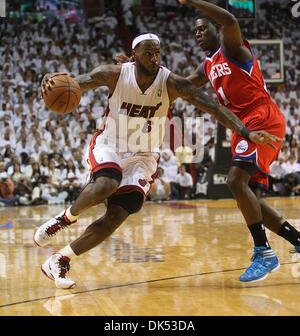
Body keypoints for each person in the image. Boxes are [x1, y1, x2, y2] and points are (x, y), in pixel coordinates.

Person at [34, 33, 280, 289]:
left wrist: (247, 132)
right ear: (134, 56)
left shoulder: (171, 82)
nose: (154, 58)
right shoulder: (115, 74)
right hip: (110, 145)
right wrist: (48, 82)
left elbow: (214, 108)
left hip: (144, 155)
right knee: (107, 182)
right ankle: (63, 220)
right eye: (148, 53)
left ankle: (60, 259)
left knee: (116, 215)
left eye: (157, 53)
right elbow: (76, 83)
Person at [165, 0, 300, 282]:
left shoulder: (233, 48)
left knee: (236, 181)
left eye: (203, 28)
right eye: (195, 31)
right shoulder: (208, 66)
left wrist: (192, 1)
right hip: (242, 125)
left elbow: (230, 19)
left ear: (216, 30)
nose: (199, 33)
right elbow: (184, 87)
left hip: (262, 116)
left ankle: (264, 252)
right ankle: (298, 241)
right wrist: (143, 78)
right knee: (246, 192)